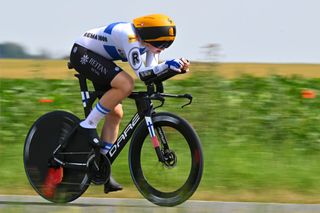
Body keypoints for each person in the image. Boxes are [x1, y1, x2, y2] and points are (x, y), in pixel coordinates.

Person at [69, 14, 190, 194]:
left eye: (167, 45)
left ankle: (101, 165)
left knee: (115, 113)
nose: (163, 49)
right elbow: (142, 74)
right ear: (149, 36)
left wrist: (174, 69)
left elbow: (152, 73)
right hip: (82, 52)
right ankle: (88, 124)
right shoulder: (130, 36)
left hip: (99, 58)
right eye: (162, 44)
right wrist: (168, 65)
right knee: (126, 83)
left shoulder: (149, 46)